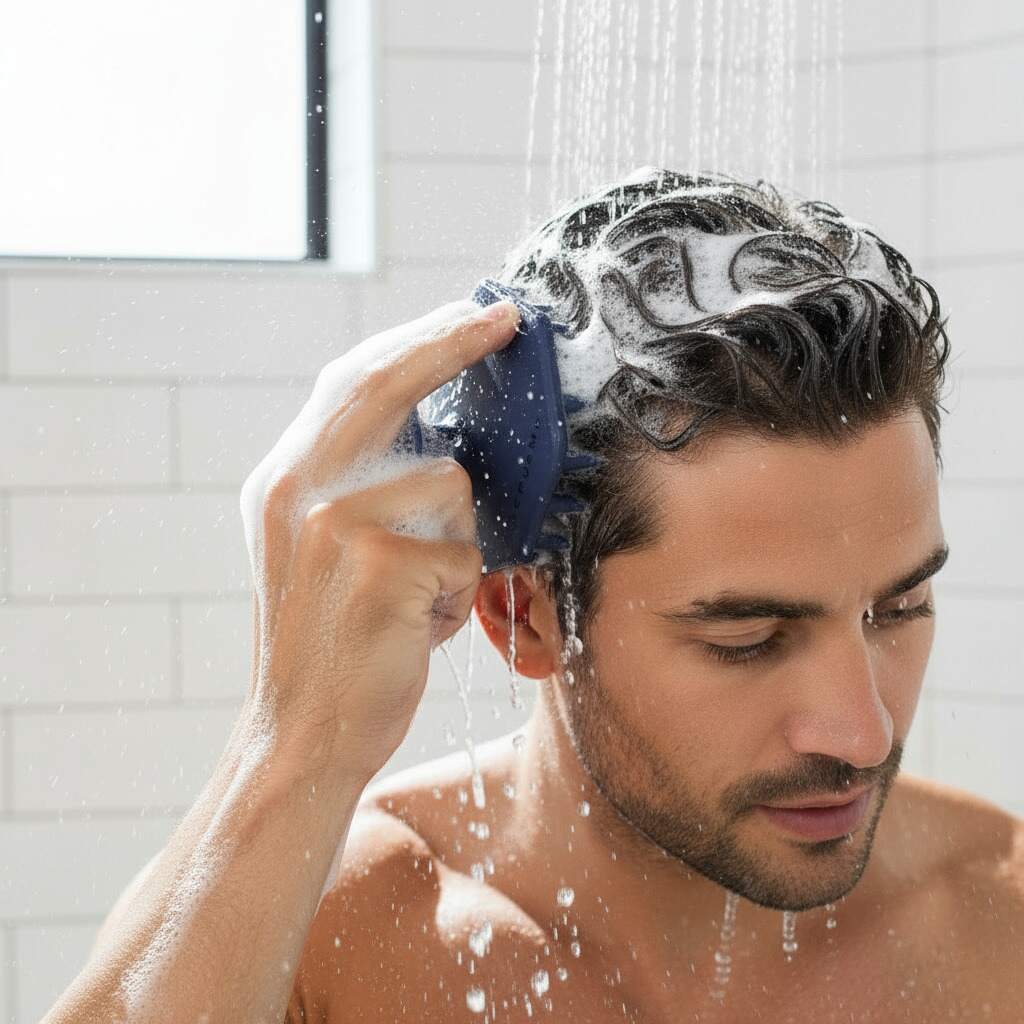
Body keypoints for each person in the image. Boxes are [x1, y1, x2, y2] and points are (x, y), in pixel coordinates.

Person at [46, 171, 1022, 1023]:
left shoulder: (999, 918)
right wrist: (293, 738)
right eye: (748, 637)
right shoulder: (327, 941)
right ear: (523, 614)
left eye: (896, 610)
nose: (861, 732)